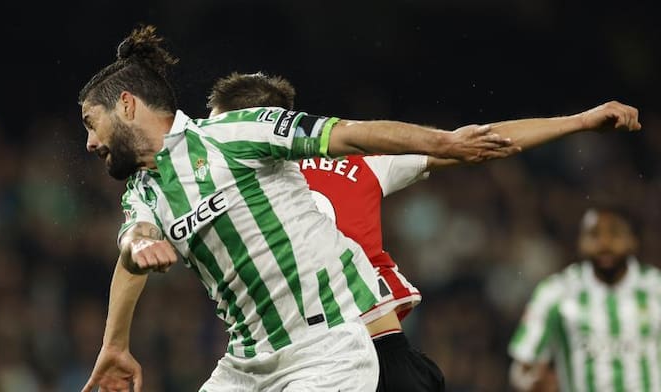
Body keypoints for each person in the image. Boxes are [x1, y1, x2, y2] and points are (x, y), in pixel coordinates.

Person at [78, 25, 522, 392]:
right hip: (247, 365)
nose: (90, 142)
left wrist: (445, 142)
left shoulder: (235, 134)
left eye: (91, 123)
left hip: (324, 349)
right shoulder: (145, 188)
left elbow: (352, 135)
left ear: (126, 105)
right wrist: (115, 342)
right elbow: (134, 240)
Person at [207, 72, 642, 391]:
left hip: (315, 359)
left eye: (214, 126)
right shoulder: (359, 157)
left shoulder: (217, 188)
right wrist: (579, 122)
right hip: (377, 351)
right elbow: (481, 143)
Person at [509, 206, 661, 391]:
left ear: (633, 240)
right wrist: (530, 383)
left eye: (614, 234)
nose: (604, 243)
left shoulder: (656, 290)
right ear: (580, 241)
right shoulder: (556, 293)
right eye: (594, 234)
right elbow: (522, 366)